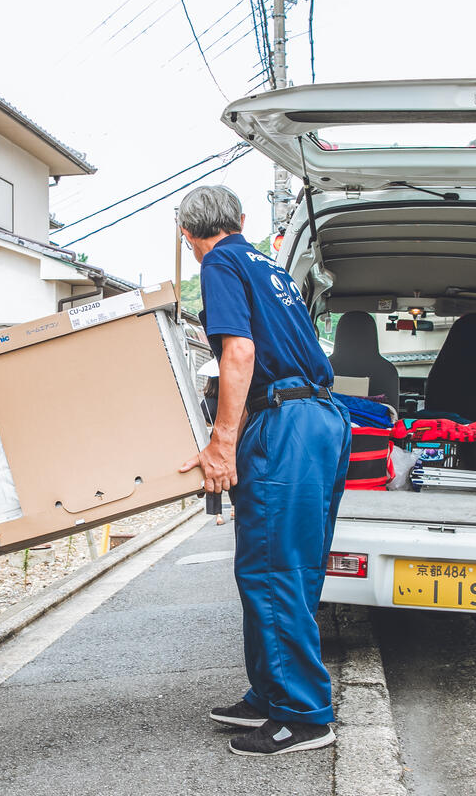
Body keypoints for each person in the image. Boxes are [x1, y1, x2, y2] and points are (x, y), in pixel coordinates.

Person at [178, 186, 352, 757]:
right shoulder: (264, 262)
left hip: (287, 423)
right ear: (242, 219)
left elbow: (239, 354)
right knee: (284, 565)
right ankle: (270, 693)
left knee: (273, 569)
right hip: (321, 416)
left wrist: (221, 444)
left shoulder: (220, 261)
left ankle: (303, 715)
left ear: (189, 236)